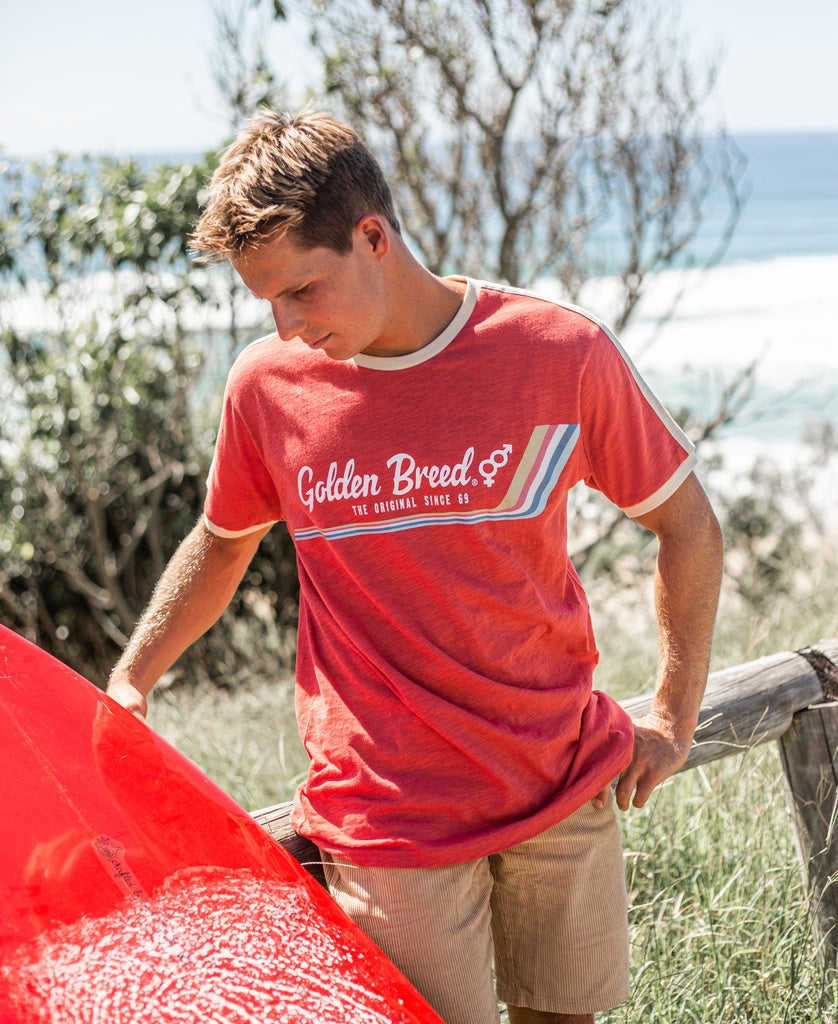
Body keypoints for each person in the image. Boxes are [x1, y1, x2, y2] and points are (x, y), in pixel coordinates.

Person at [107, 109, 724, 1024]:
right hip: (387, 813)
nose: (286, 323)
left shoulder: (557, 353)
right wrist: (131, 675)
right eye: (267, 301)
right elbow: (223, 542)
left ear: (373, 236)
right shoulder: (267, 387)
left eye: (303, 290)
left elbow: (687, 526)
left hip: (557, 778)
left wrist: (672, 717)